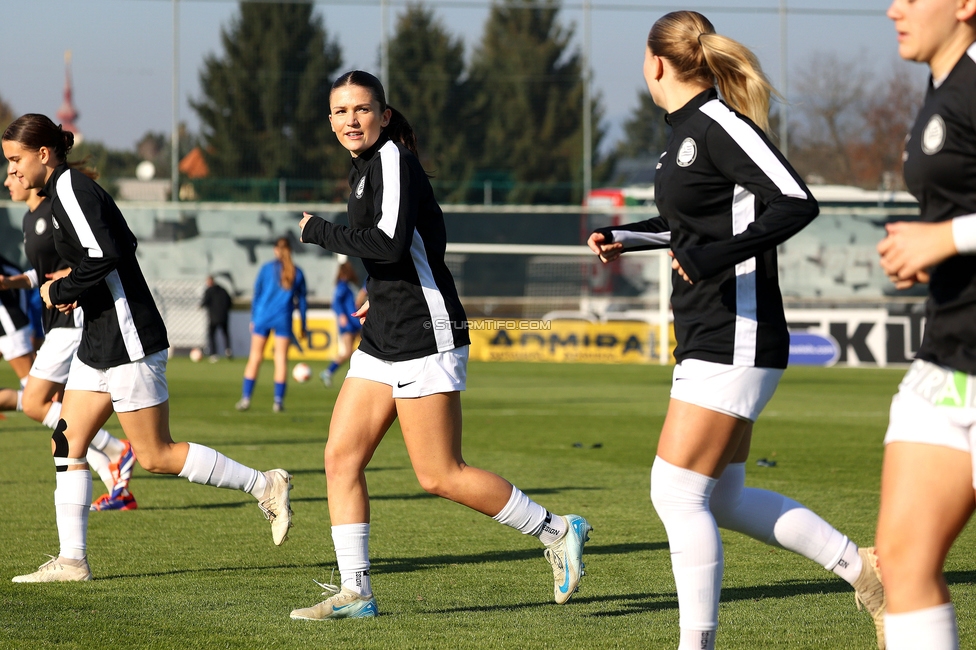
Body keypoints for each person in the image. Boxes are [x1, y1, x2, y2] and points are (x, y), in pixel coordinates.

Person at [585, 13, 885, 650]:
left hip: (737, 332)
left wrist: (712, 259)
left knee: (674, 492)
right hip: (708, 331)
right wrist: (628, 237)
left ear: (655, 63)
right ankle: (867, 571)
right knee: (721, 499)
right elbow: (696, 228)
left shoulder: (717, 123)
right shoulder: (680, 137)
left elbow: (796, 201)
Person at [292, 70, 591, 620]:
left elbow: (387, 241)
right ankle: (356, 593)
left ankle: (556, 529)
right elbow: (399, 252)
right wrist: (375, 289)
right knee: (340, 458)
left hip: (425, 332)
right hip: (385, 331)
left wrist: (319, 231)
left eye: (361, 109)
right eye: (339, 112)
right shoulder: (364, 169)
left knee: (438, 474)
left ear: (383, 115)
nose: (350, 120)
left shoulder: (392, 160)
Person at [2, 113, 293, 583]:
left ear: (43, 153)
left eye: (16, 159)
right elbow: (123, 242)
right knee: (67, 441)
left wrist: (62, 289)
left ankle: (266, 484)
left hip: (126, 333)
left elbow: (108, 254)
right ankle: (72, 560)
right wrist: (74, 283)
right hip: (99, 335)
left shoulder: (71, 187)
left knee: (156, 454)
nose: (12, 170)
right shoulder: (63, 193)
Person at [874, 2, 976, 648]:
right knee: (902, 564)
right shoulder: (941, 85)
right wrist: (928, 250)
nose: (893, 8)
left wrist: (947, 238)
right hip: (948, 363)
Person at [1, 174, 138, 511]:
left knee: (35, 403)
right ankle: (116, 482)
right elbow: (42, 271)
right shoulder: (30, 217)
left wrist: (70, 276)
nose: (8, 180)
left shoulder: (53, 209)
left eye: (14, 168)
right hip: (54, 319)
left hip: (72, 317)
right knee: (63, 415)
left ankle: (116, 450)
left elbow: (90, 254)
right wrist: (13, 282)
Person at [236, 237, 307, 413]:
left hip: (263, 317)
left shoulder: (266, 269)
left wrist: (254, 317)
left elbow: (257, 294)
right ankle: (278, 401)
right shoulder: (297, 272)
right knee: (281, 360)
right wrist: (303, 325)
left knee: (255, 358)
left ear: (276, 250)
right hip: (283, 319)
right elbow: (303, 302)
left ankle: (246, 399)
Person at [0, 250, 35, 418]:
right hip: (9, 328)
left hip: (9, 328)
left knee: (38, 394)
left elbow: (10, 278)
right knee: (37, 396)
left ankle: (111, 444)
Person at [319, 260, 363, 388]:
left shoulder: (347, 286)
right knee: (349, 351)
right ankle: (328, 372)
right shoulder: (342, 287)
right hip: (349, 324)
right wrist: (341, 315)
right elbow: (336, 303)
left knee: (359, 350)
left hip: (354, 323)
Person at [200, 275, 233, 362]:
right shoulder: (223, 290)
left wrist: (200, 306)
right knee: (225, 334)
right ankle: (228, 350)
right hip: (224, 316)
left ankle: (213, 354)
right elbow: (230, 302)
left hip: (213, 317)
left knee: (211, 335)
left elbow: (204, 302)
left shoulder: (209, 291)